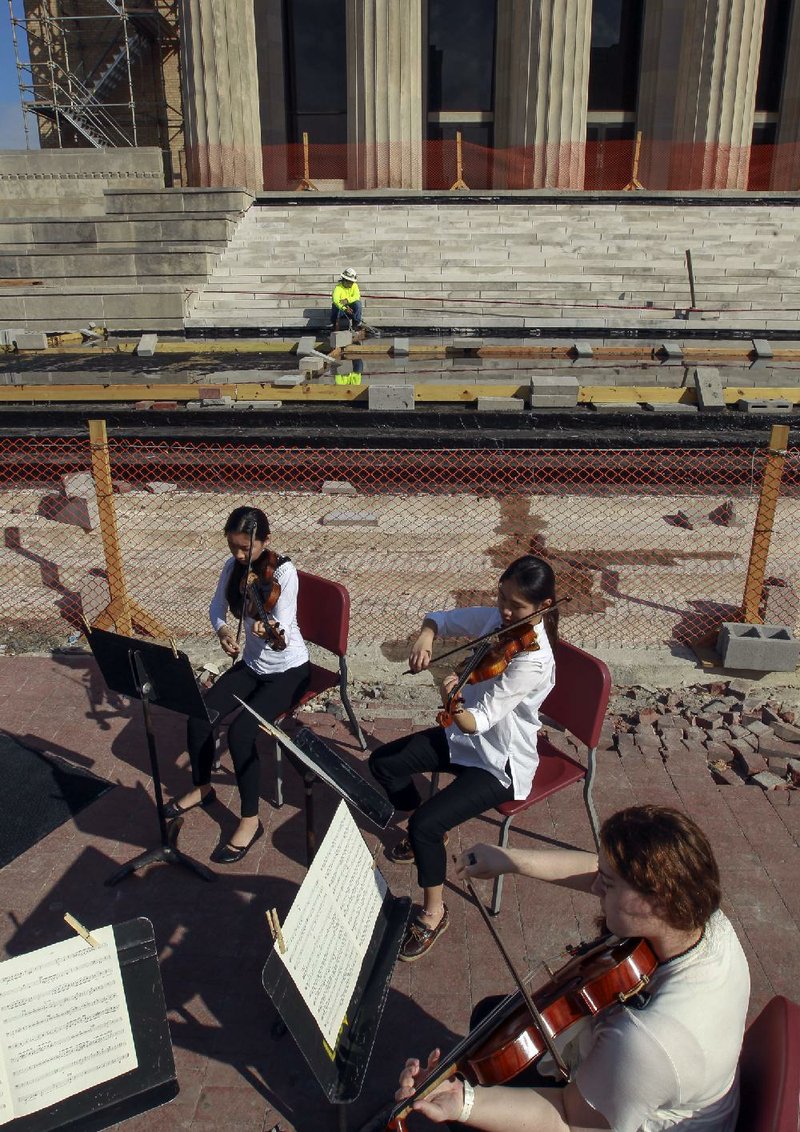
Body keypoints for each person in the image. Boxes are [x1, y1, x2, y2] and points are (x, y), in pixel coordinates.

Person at [396, 805, 751, 1130]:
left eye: (607, 885)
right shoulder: (703, 917)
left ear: (654, 900)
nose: (596, 885)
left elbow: (569, 1118)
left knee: (475, 1101)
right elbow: (598, 871)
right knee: (491, 1017)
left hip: (609, 1115)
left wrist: (464, 1104)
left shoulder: (647, 1041)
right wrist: (509, 860)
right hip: (647, 1083)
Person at [369, 555, 558, 962]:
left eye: (517, 606)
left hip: (500, 763)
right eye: (502, 597)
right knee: (384, 763)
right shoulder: (496, 623)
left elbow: (480, 720)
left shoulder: (534, 659)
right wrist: (425, 637)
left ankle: (434, 912)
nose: (505, 610)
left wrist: (447, 693)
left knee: (425, 825)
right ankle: (429, 834)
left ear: (542, 607)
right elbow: (440, 618)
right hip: (464, 742)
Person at [163, 506, 310, 863]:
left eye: (247, 549)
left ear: (266, 541)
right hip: (251, 665)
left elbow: (284, 630)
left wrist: (266, 628)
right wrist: (225, 631)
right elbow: (216, 607)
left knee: (242, 733)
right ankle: (202, 787)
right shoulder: (233, 568)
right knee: (199, 715)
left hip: (289, 670)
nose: (240, 556)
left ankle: (249, 820)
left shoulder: (286, 574)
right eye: (234, 548)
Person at [330, 267, 362, 331]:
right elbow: (336, 300)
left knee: (358, 304)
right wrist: (344, 309)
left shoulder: (354, 286)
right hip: (341, 310)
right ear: (345, 280)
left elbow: (357, 296)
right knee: (335, 305)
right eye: (351, 282)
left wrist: (347, 300)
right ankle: (335, 325)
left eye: (353, 282)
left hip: (351, 310)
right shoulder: (338, 288)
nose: (352, 283)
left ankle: (355, 324)